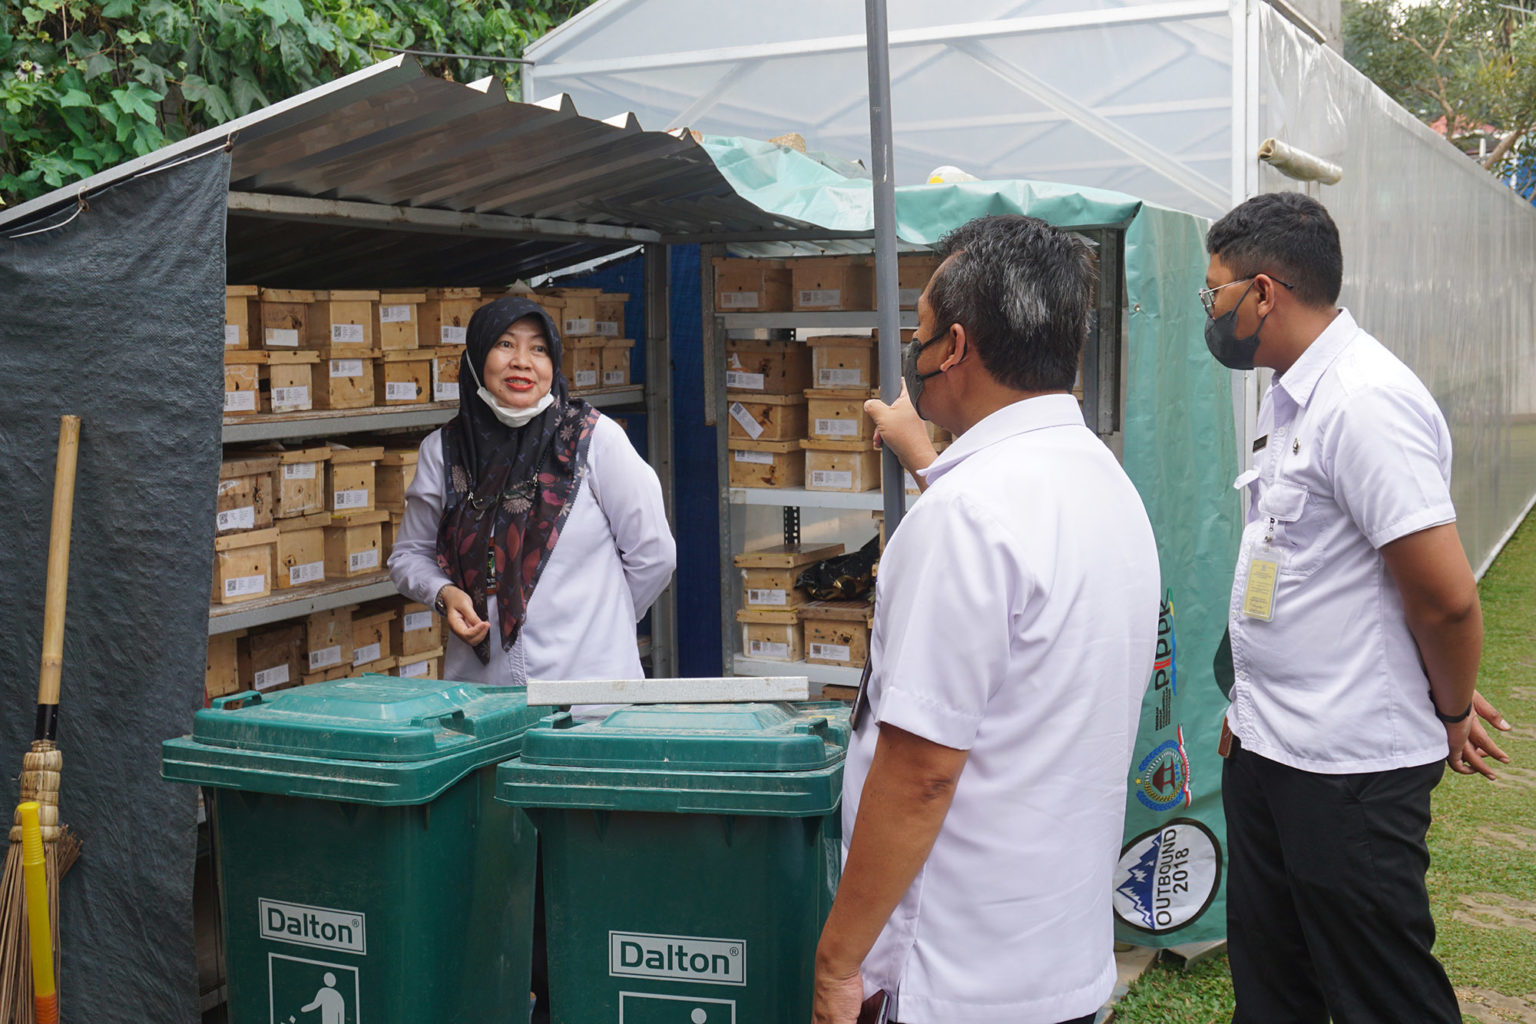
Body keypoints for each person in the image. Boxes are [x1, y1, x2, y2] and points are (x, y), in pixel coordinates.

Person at [811, 215, 1162, 1024]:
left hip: (955, 981)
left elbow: (922, 770)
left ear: (956, 347)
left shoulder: (964, 518)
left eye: (922, 333)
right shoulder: (1105, 485)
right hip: (1055, 961)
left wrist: (839, 961)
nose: (916, 352)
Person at [1201, 192, 1510, 1024]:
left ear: (1263, 292)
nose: (1212, 311)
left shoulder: (1365, 400)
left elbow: (1443, 598)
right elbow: (1301, 566)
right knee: (1274, 988)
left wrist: (1447, 705)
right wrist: (1250, 704)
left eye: (1215, 293)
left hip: (1349, 769)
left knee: (1380, 994)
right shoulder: (1293, 391)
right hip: (1273, 747)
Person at [388, 295, 675, 689]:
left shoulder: (594, 439)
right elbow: (409, 555)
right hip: (483, 695)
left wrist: (606, 619)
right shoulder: (445, 451)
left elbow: (654, 553)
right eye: (505, 344)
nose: (522, 361)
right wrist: (444, 592)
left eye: (538, 348)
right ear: (475, 357)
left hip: (589, 690)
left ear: (553, 363)